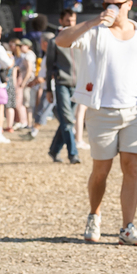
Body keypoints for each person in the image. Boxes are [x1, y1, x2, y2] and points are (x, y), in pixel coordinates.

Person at [55, 0, 137, 246]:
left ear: (129, 4)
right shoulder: (95, 31)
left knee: (132, 168)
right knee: (101, 170)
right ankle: (94, 215)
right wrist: (93, 21)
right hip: (101, 110)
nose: (111, 8)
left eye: (117, 4)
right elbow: (61, 40)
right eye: (107, 4)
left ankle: (127, 227)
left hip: (136, 111)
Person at [43, 9, 82, 163]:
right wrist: (48, 89)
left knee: (67, 120)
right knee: (68, 120)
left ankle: (54, 150)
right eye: (67, 21)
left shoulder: (81, 40)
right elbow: (49, 67)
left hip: (78, 85)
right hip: (62, 84)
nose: (71, 24)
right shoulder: (54, 42)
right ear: (61, 21)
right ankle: (73, 154)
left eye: (73, 21)